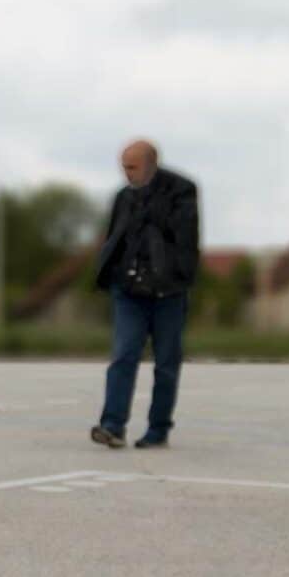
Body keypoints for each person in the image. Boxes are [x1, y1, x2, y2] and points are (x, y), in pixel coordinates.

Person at [90, 140, 198, 449]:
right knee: (123, 356)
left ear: (151, 164)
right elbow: (116, 236)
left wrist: (149, 198)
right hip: (129, 291)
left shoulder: (181, 191)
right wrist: (109, 274)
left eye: (132, 167)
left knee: (166, 364)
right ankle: (112, 426)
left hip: (169, 293)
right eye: (123, 166)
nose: (126, 173)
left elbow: (182, 234)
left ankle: (158, 429)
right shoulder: (124, 197)